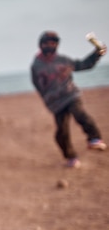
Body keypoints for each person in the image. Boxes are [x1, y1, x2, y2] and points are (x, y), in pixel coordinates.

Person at [31, 30, 107, 168]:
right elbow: (38, 86)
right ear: (41, 44)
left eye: (53, 43)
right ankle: (70, 156)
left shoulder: (62, 60)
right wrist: (47, 100)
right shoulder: (36, 66)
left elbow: (83, 65)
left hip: (71, 95)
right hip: (55, 103)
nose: (50, 45)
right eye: (47, 43)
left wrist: (97, 54)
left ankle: (94, 138)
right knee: (62, 132)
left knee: (80, 114)